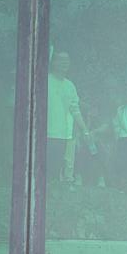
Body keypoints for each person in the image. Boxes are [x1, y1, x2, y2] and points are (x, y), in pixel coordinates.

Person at [45, 51, 88, 187]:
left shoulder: (70, 86)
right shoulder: (44, 81)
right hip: (44, 133)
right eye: (61, 59)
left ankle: (54, 194)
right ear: (53, 62)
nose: (65, 62)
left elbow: (75, 110)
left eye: (67, 60)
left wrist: (85, 130)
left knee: (56, 170)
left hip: (62, 134)